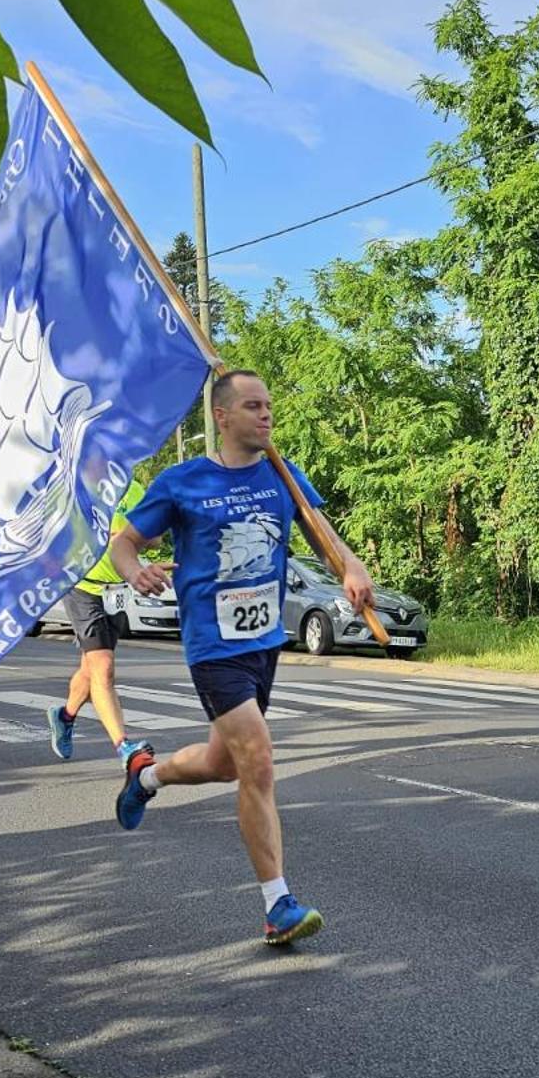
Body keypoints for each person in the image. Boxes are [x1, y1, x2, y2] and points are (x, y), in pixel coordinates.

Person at [109, 370, 373, 946]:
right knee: (257, 760)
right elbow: (124, 543)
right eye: (253, 406)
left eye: (269, 406)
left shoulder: (282, 474)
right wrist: (138, 572)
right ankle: (277, 905)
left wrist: (350, 566)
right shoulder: (183, 482)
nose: (266, 415)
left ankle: (146, 775)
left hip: (263, 644)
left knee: (222, 763)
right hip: (213, 645)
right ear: (221, 417)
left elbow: (319, 528)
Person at [45, 477, 152, 774]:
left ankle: (65, 716)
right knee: (104, 666)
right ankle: (124, 747)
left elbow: (153, 537)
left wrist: (132, 535)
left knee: (90, 669)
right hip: (83, 586)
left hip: (116, 589)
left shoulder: (134, 490)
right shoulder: (77, 486)